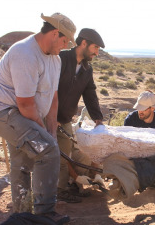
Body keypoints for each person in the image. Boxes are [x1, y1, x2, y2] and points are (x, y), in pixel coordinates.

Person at [0, 12, 76, 223]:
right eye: (64, 41)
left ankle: (22, 216)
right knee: (48, 151)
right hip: (3, 113)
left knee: (24, 162)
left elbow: (53, 97)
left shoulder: (55, 59)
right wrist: (44, 134)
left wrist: (51, 130)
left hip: (23, 115)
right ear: (54, 33)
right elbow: (25, 104)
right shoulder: (25, 53)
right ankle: (44, 214)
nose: (65, 46)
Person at [56, 28, 105, 203]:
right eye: (95, 48)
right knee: (51, 155)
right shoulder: (60, 59)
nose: (97, 53)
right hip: (46, 117)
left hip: (65, 119)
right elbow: (46, 89)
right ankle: (54, 191)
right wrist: (49, 116)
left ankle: (64, 187)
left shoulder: (86, 69)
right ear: (83, 43)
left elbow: (90, 94)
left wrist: (98, 119)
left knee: (65, 154)